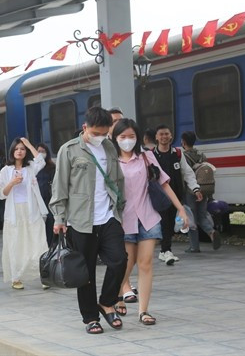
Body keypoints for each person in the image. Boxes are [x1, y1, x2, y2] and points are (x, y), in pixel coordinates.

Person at [50, 106, 127, 335]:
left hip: (108, 216)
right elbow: (60, 186)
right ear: (85, 128)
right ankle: (91, 318)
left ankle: (106, 301)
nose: (100, 137)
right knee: (86, 272)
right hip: (80, 221)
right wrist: (59, 217)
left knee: (119, 260)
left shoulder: (109, 147)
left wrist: (119, 209)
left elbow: (117, 179)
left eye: (104, 133)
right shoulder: (69, 150)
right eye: (96, 133)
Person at [112, 119, 189, 326]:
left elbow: (163, 183)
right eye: (122, 137)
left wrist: (180, 208)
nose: (127, 141)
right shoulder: (111, 161)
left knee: (145, 263)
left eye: (131, 137)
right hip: (123, 219)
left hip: (148, 217)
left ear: (137, 138)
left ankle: (143, 311)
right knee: (126, 264)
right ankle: (116, 295)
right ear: (115, 139)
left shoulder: (146, 157)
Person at [0, 137, 48, 290]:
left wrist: (29, 144)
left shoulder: (31, 167)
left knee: (39, 243)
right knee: (15, 244)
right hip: (14, 213)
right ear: (12, 151)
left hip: (32, 210)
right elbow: (2, 194)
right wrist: (12, 182)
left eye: (22, 149)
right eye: (17, 149)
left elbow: (41, 161)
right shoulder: (6, 170)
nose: (19, 151)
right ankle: (16, 277)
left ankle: (44, 276)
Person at [153, 125, 202, 265]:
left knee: (169, 223)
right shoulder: (151, 155)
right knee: (164, 222)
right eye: (161, 134)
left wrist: (195, 188)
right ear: (156, 137)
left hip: (175, 196)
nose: (164, 137)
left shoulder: (178, 154)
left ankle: (164, 250)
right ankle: (166, 250)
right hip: (158, 197)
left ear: (171, 136)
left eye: (166, 134)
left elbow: (187, 173)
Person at [181, 131, 222, 252]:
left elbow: (185, 175)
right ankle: (211, 232)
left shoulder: (184, 156)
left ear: (183, 142)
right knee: (202, 215)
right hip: (204, 189)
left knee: (191, 217)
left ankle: (194, 246)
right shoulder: (201, 155)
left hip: (191, 191)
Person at [36, 143, 56, 246]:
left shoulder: (52, 167)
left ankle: (50, 245)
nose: (40, 154)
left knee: (50, 222)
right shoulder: (34, 167)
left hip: (48, 199)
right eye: (38, 151)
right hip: (37, 200)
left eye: (43, 152)